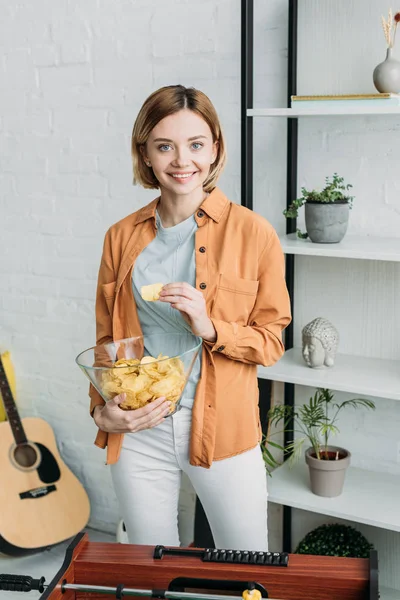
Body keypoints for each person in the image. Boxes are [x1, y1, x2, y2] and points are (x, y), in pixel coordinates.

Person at [89, 85, 291, 551]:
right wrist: (101, 412)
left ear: (215, 148)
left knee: (245, 563)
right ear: (146, 154)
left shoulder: (253, 233)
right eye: (165, 146)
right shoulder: (120, 238)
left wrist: (211, 327)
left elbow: (272, 341)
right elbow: (106, 342)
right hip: (139, 429)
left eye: (196, 144)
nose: (183, 161)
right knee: (150, 565)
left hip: (223, 430)